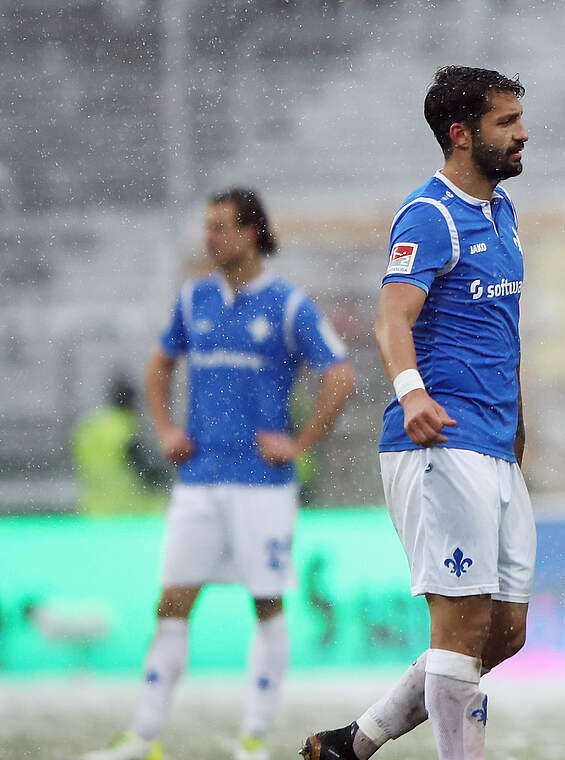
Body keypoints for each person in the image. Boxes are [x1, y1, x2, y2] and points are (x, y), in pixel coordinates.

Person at [299, 65, 532, 760]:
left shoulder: (502, 212)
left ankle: (356, 742)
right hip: (437, 444)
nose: (523, 133)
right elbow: (390, 321)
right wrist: (412, 392)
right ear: (461, 136)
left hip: (492, 442)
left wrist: (517, 417)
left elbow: (497, 328)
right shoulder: (428, 215)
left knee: (506, 634)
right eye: (506, 122)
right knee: (458, 633)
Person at [83, 187, 356, 760]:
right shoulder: (193, 299)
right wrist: (164, 429)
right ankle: (144, 736)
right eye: (205, 227)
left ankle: (254, 737)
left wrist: (302, 441)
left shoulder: (286, 304)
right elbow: (159, 364)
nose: (208, 238)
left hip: (262, 484)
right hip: (200, 480)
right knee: (172, 603)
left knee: (267, 605)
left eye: (219, 226)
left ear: (250, 232)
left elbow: (339, 374)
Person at [72, 374, 169, 517]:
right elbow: (145, 472)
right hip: (127, 512)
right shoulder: (125, 429)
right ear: (132, 402)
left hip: (94, 511)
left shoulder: (89, 428)